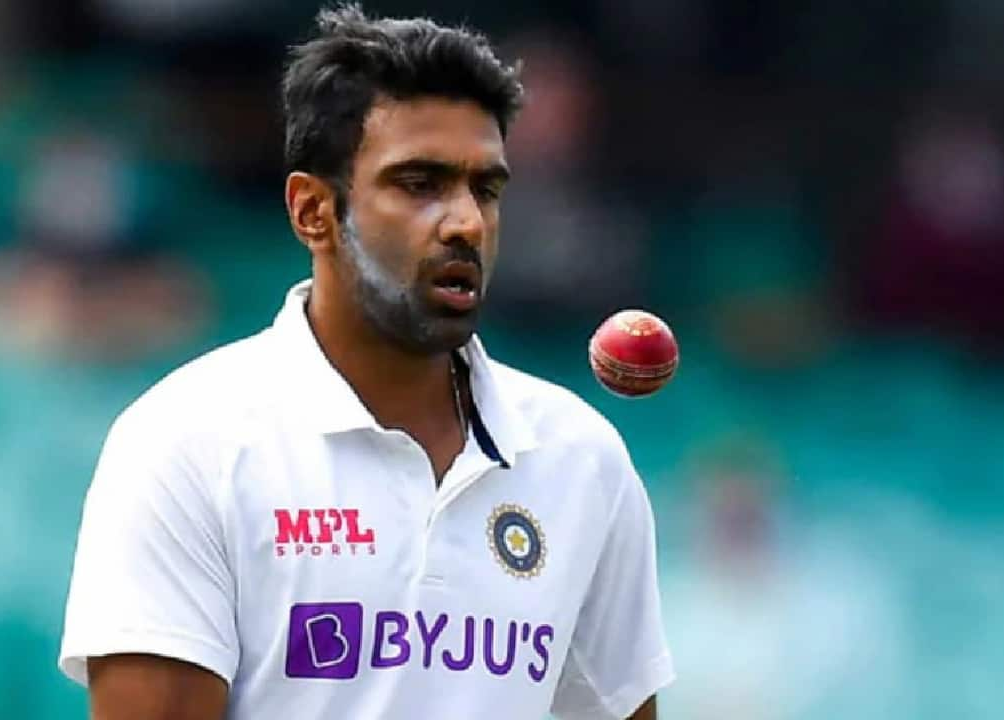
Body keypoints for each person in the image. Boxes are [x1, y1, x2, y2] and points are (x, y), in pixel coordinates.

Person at [57, 4, 675, 718]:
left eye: (486, 187)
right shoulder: (186, 442)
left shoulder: (581, 460)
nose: (466, 221)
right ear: (312, 210)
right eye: (419, 184)